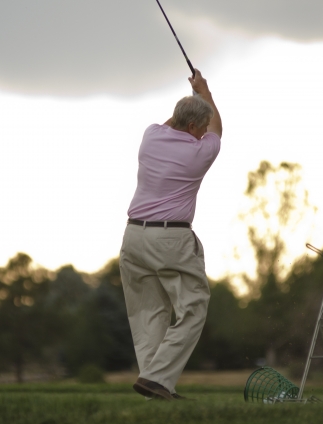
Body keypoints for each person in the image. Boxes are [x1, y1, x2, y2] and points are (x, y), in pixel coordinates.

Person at [119, 69, 222, 400]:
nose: (205, 132)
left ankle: (154, 385)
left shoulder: (150, 136)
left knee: (148, 313)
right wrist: (205, 92)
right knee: (194, 307)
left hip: (133, 237)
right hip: (170, 240)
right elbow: (218, 129)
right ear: (193, 128)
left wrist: (194, 100)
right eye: (200, 128)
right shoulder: (199, 153)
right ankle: (159, 379)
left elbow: (176, 121)